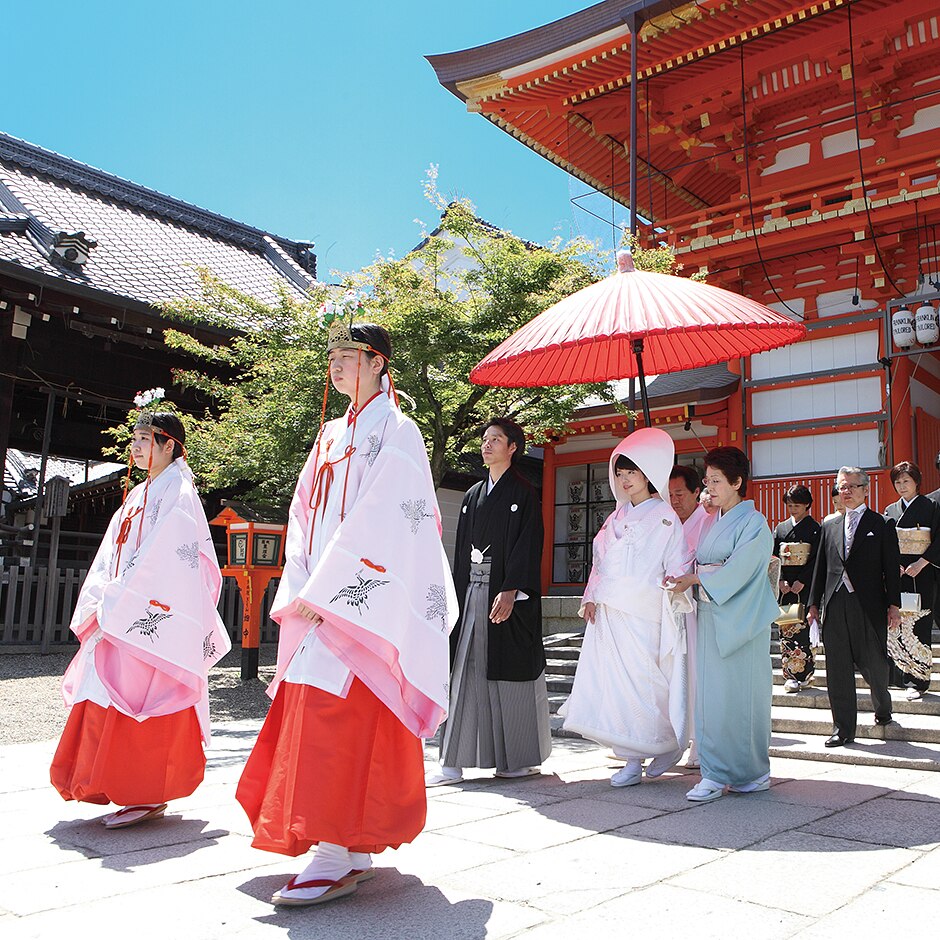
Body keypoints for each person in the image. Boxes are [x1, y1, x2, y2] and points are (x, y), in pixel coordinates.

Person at [235, 321, 457, 907]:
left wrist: (335, 584)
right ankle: (348, 848)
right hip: (319, 595)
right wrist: (305, 572)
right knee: (322, 710)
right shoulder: (330, 434)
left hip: (361, 599)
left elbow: (396, 517)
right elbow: (304, 509)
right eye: (332, 355)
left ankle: (334, 849)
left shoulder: (399, 432)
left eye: (349, 355)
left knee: (347, 715)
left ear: (379, 363)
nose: (336, 365)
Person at [51, 407, 231, 828]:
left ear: (171, 445)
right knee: (106, 692)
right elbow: (111, 552)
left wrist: (124, 595)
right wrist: (102, 593)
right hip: (120, 607)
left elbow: (168, 556)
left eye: (145, 440)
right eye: (134, 440)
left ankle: (146, 789)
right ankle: (110, 783)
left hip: (149, 611)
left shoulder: (179, 493)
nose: (135, 447)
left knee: (144, 695)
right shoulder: (139, 493)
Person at [560, 428, 693, 787]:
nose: (624, 479)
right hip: (611, 611)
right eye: (620, 473)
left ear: (648, 474)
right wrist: (590, 596)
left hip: (644, 610)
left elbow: (676, 561)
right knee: (617, 685)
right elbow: (600, 562)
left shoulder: (665, 516)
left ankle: (665, 742)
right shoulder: (614, 518)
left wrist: (678, 580)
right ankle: (632, 757)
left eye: (632, 472)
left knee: (646, 681)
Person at [426, 418, 550, 786]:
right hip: (471, 590)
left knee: (509, 672)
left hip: (506, 592)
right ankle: (452, 760)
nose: (488, 445)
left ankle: (514, 759)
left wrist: (513, 589)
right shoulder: (472, 495)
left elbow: (529, 545)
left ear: (513, 447)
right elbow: (461, 548)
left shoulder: (524, 492)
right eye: (485, 439)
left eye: (496, 439)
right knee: (462, 670)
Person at [669, 446, 779, 802]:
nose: (709, 487)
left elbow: (744, 569)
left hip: (741, 619)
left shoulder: (754, 523)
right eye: (708, 480)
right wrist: (688, 577)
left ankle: (752, 771)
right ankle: (716, 772)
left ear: (737, 482)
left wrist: (699, 581)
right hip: (714, 614)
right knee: (713, 696)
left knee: (744, 698)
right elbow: (702, 561)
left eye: (717, 481)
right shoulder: (714, 521)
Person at [808, 467, 901, 747]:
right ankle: (843, 728)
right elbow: (820, 568)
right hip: (836, 602)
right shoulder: (829, 525)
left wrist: (893, 605)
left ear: (865, 489)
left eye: (850, 486)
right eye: (841, 487)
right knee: (837, 668)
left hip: (868, 603)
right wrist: (813, 603)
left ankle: (882, 706)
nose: (845, 492)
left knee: (874, 664)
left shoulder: (882, 523)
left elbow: (890, 569)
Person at [883, 461, 940, 700]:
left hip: (923, 573)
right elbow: (886, 542)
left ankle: (919, 680)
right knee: (897, 623)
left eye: (906, 481)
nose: (901, 486)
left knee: (919, 624)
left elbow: (937, 538)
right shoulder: (890, 510)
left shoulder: (931, 506)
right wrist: (891, 563)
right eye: (897, 482)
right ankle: (900, 677)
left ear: (917, 482)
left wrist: (922, 562)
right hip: (898, 575)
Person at [669, 464, 709, 767]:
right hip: (668, 611)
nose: (674, 500)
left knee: (696, 674)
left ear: (697, 492)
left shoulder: (708, 521)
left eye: (680, 493)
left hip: (698, 610)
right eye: (669, 494)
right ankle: (669, 740)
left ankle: (700, 741)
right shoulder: (666, 523)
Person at [773, 485, 821, 692]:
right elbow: (774, 557)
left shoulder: (815, 529)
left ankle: (806, 674)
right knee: (787, 630)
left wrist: (803, 579)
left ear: (807, 505)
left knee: (804, 631)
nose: (793, 509)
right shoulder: (781, 529)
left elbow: (816, 559)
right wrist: (781, 579)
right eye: (790, 505)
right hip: (785, 588)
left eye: (797, 505)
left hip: (805, 586)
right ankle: (790, 674)